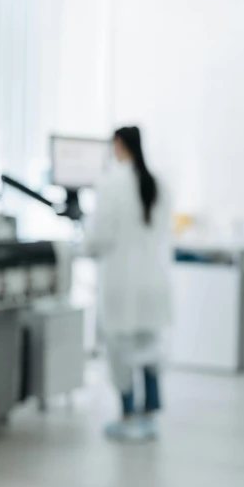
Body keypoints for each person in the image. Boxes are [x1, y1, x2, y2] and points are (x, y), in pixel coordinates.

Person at [83, 126, 173, 443]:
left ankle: (127, 413)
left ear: (119, 144)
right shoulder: (159, 182)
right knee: (150, 349)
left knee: (120, 352)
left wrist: (83, 239)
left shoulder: (113, 182)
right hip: (153, 280)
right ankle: (150, 413)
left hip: (123, 283)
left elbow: (98, 238)